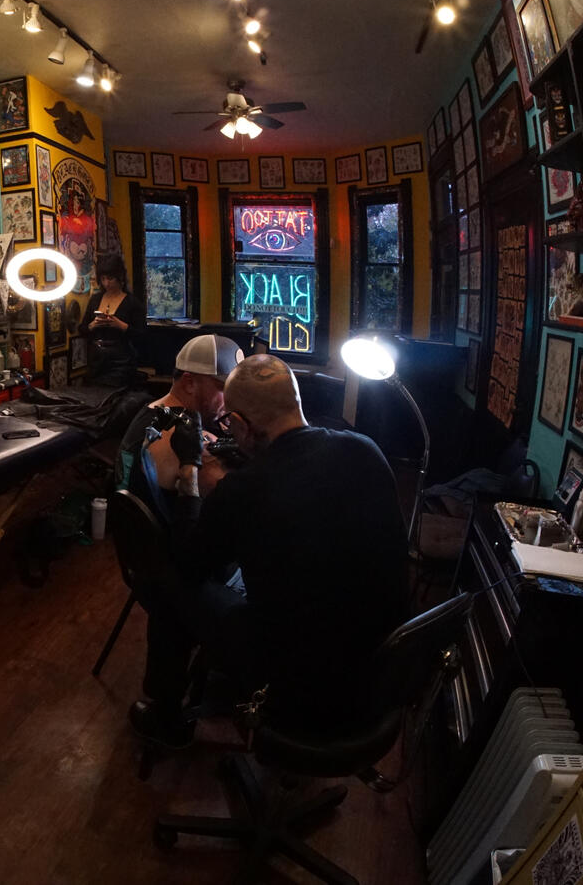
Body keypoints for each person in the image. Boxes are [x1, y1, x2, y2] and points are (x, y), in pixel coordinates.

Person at [129, 355, 410, 748]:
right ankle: (216, 688)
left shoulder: (245, 492)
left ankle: (166, 714)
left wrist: (193, 472)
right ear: (295, 402)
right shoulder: (366, 450)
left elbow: (191, 565)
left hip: (297, 685)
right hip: (377, 673)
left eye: (230, 423)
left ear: (240, 425)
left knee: (171, 575)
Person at [116, 334, 243, 511]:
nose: (230, 400)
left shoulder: (154, 410)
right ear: (190, 383)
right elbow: (232, 497)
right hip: (166, 536)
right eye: (223, 388)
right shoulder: (182, 435)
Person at [82, 256, 145, 386]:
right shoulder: (95, 299)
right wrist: (92, 325)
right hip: (96, 359)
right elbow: (82, 329)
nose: (106, 283)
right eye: (103, 279)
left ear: (119, 277)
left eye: (110, 279)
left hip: (121, 360)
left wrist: (120, 325)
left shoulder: (132, 302)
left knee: (115, 394)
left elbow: (142, 335)